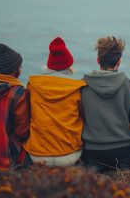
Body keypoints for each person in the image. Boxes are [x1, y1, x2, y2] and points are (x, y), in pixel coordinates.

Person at [23, 37, 87, 166]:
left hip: (37, 155)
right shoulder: (77, 87)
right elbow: (84, 115)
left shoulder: (33, 85)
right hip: (69, 154)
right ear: (69, 65)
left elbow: (26, 114)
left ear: (49, 64)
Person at [81, 36, 130, 173]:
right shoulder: (128, 83)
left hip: (93, 148)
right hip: (123, 148)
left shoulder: (83, 85)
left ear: (98, 60)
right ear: (119, 61)